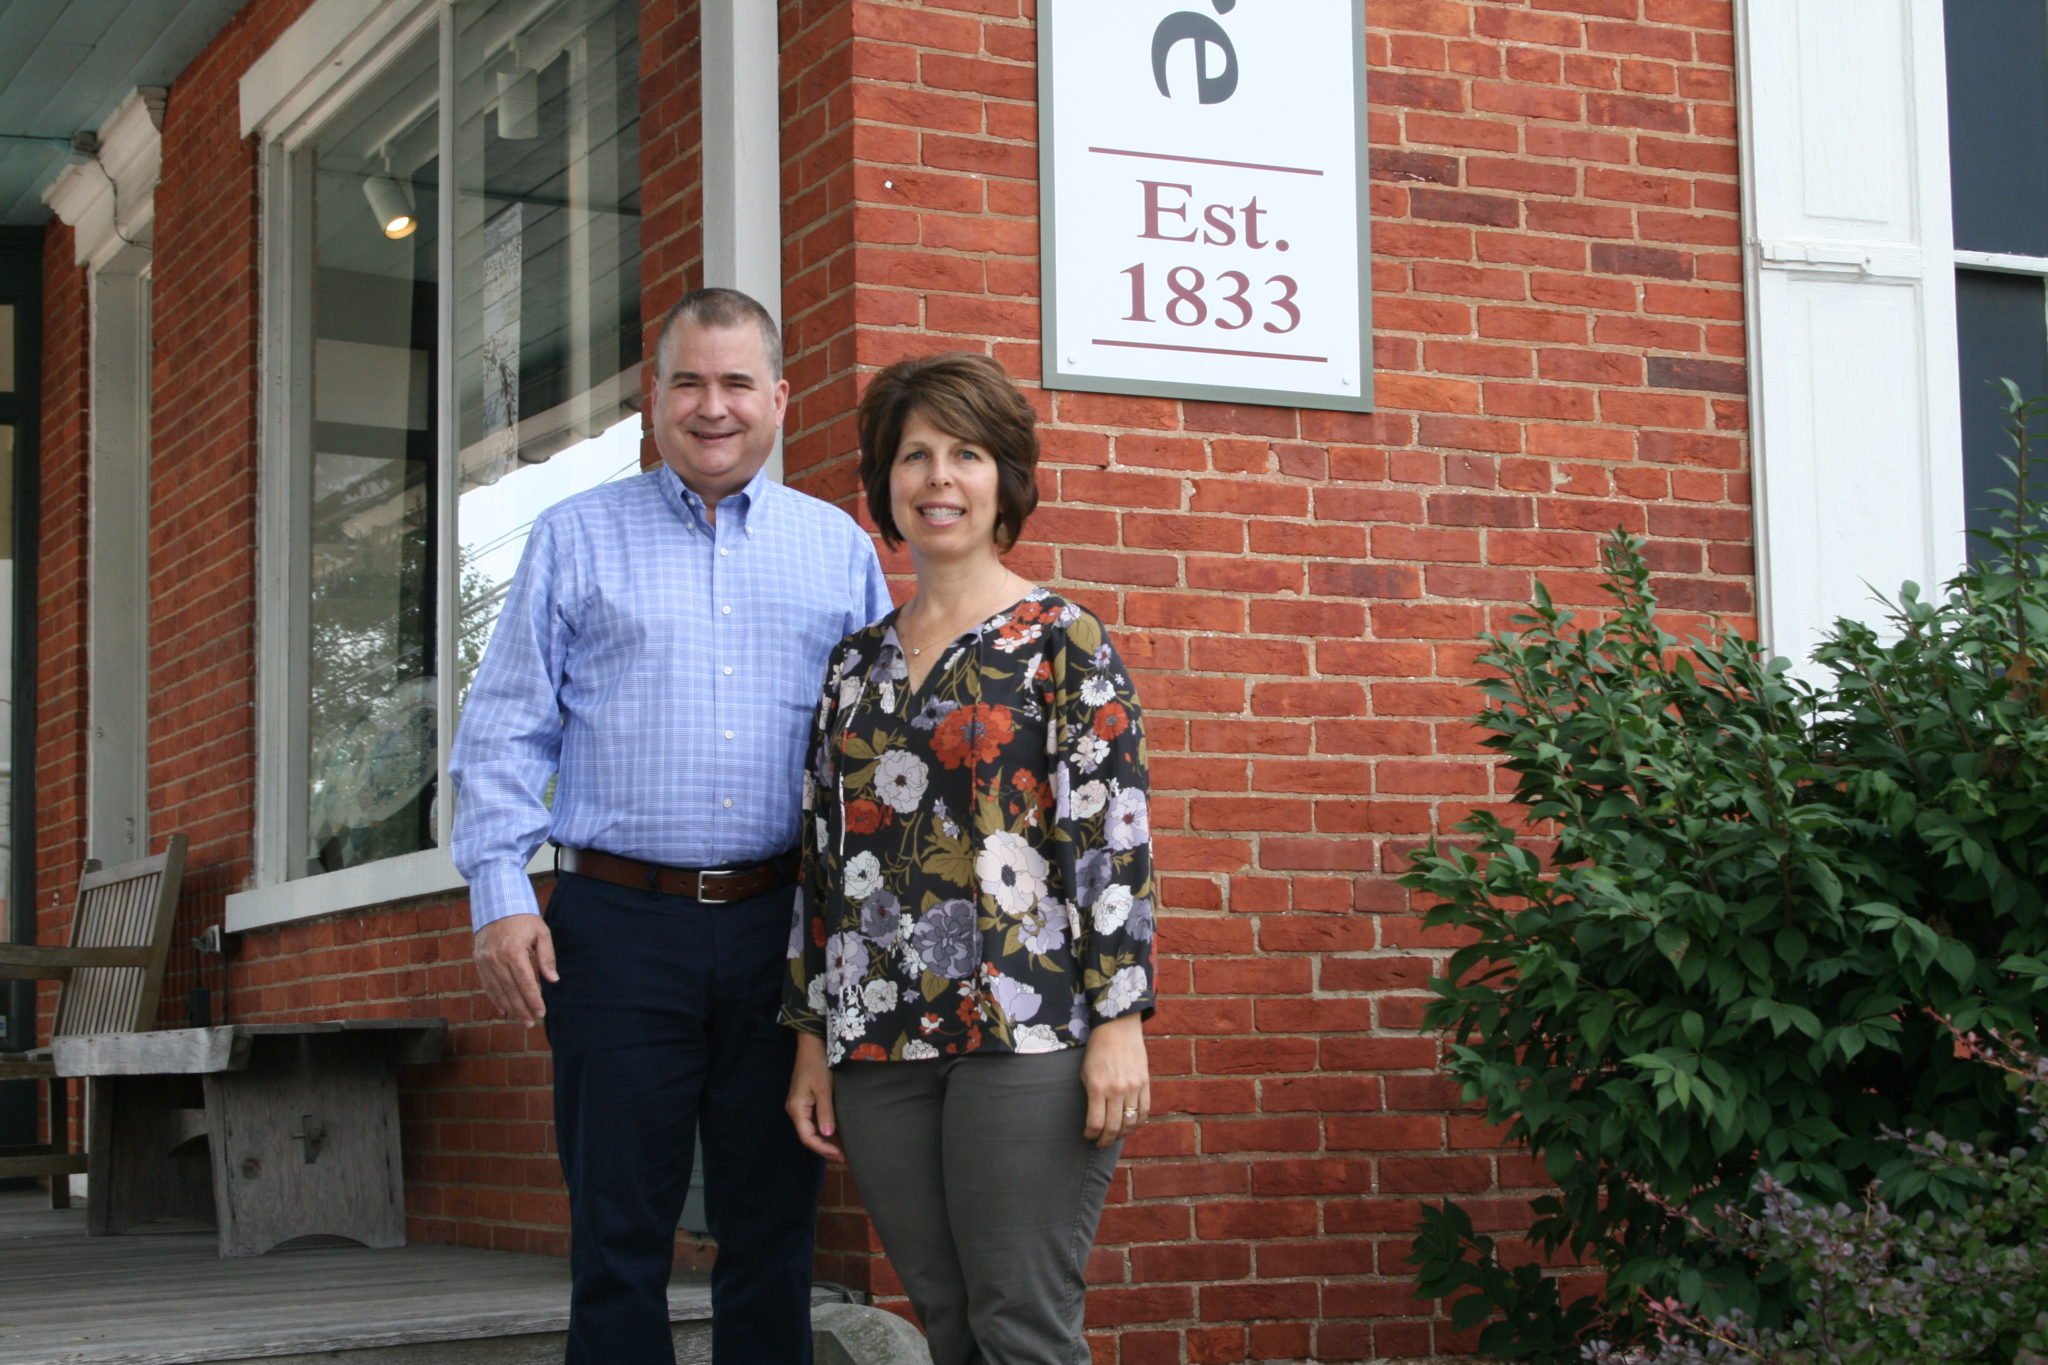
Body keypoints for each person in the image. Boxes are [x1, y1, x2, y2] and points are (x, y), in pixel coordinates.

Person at [451, 287, 891, 1365]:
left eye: (737, 382)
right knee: (617, 1234)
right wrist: (500, 897)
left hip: (782, 932)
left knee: (773, 1233)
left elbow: (875, 762)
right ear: (652, 398)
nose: (712, 406)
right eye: (688, 382)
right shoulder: (573, 539)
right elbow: (505, 730)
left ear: (778, 398)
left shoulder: (835, 551)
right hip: (614, 925)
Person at [782, 352, 1156, 1364]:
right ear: (884, 482)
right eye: (913, 455)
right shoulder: (852, 665)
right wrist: (813, 1035)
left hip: (1025, 1035)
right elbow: (822, 858)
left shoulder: (1060, 639)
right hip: (877, 1043)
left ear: (1006, 482)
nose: (937, 479)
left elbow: (1107, 841)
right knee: (947, 1329)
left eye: (965, 454)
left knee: (1019, 1330)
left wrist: (1119, 1021)